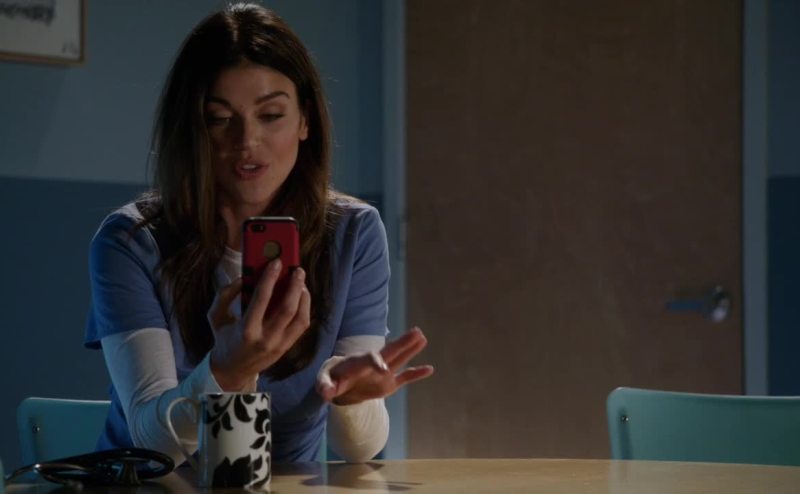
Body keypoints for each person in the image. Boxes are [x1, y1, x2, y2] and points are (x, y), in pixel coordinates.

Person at [84, 2, 433, 464]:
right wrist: (227, 371)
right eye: (220, 119)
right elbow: (151, 441)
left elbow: (360, 450)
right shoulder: (131, 241)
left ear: (305, 120)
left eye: (271, 115)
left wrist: (351, 397)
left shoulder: (353, 232)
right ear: (192, 128)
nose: (247, 141)